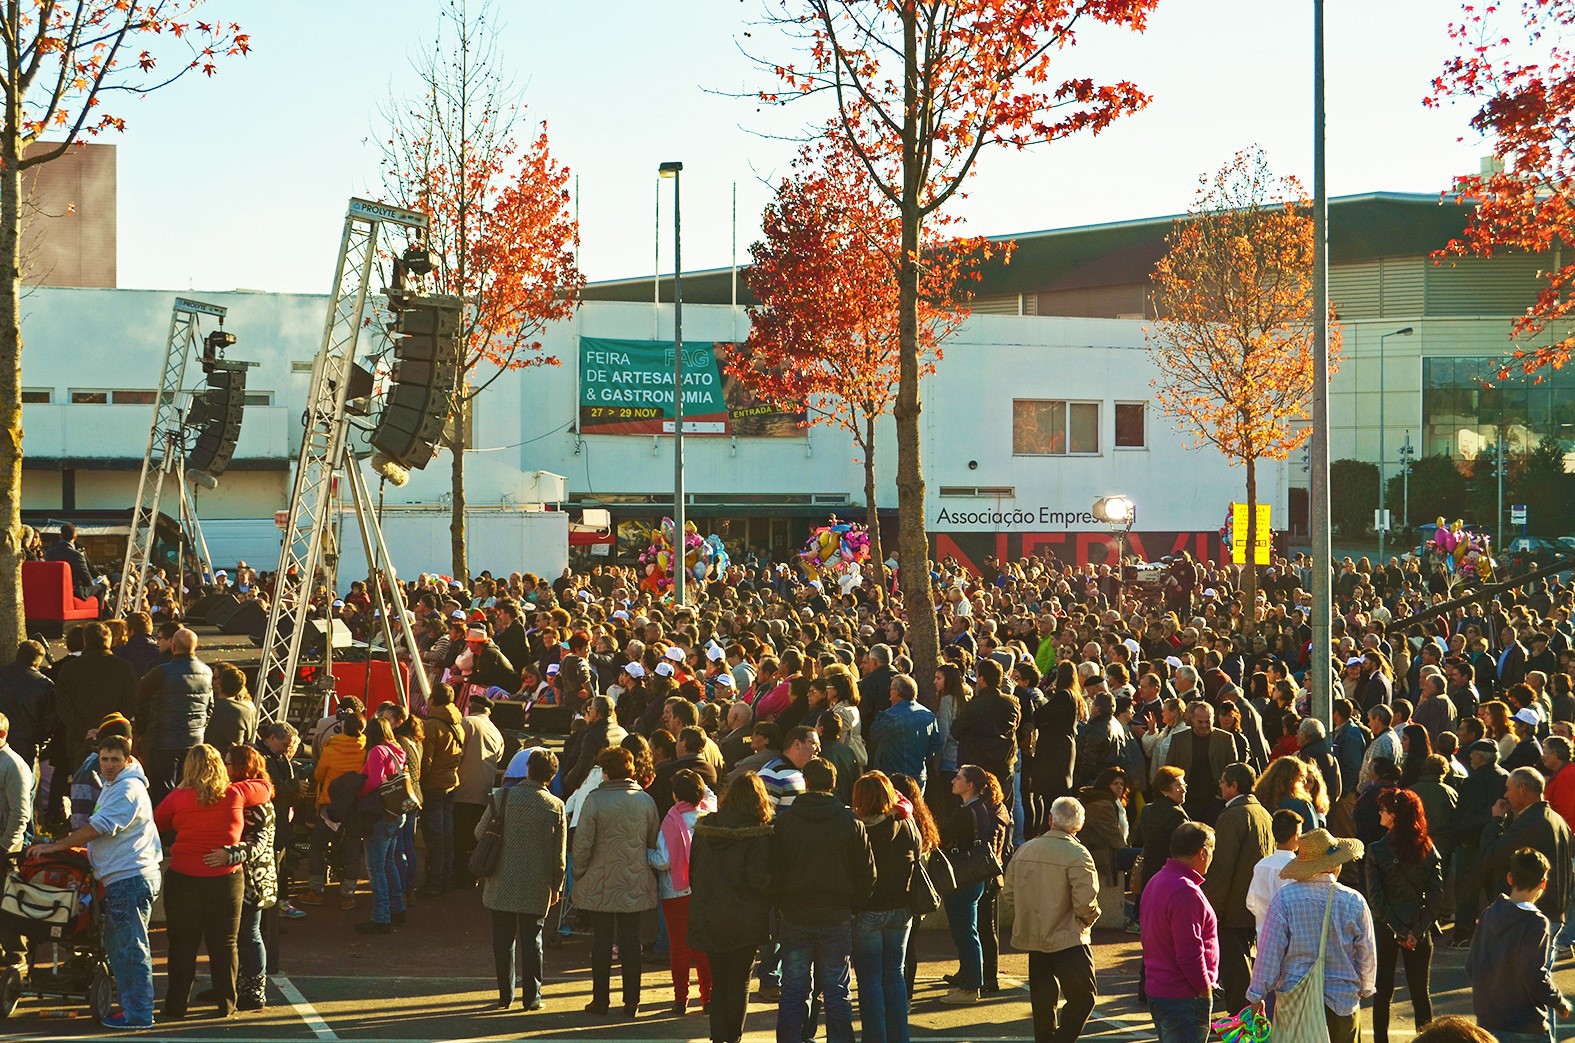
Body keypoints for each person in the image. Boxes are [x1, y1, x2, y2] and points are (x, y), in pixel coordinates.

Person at [28, 733, 162, 1028]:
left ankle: (138, 1014)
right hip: (122, 876)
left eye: (115, 759)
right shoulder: (116, 785)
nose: (109, 765)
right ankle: (133, 1009)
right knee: (123, 949)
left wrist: (55, 846)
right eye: (105, 759)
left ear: (127, 760)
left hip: (129, 878)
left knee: (130, 950)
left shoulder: (127, 789)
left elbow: (96, 828)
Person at [152, 744, 273, 1019]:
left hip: (184, 877)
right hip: (226, 879)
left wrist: (183, 786)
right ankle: (226, 1004)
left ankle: (176, 1006)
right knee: (225, 945)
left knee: (182, 944)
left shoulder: (179, 797)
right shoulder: (237, 793)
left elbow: (157, 821)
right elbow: (265, 787)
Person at [769, 756, 874, 1043]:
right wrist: (853, 906)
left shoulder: (787, 822)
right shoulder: (851, 821)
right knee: (837, 988)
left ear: (806, 782)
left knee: (793, 987)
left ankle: (790, 1038)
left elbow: (773, 872)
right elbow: (868, 874)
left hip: (795, 914)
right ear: (834, 783)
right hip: (836, 914)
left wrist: (781, 903)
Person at [1246, 828, 1377, 1043]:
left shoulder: (1284, 900)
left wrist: (1257, 995)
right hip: (1342, 1001)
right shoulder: (1354, 900)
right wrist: (1365, 986)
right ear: (1336, 864)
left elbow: (1269, 954)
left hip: (1295, 1002)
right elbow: (1366, 951)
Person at [1001, 795, 1099, 1043]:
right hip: (1068, 936)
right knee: (1084, 996)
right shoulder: (1078, 853)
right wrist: (1087, 920)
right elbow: (1086, 901)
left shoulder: (1026, 849)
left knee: (1043, 1001)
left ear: (1050, 819)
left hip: (1034, 933)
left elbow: (1009, 893)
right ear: (1079, 825)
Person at [688, 772, 775, 1043]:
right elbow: (759, 879)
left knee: (719, 980)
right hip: (745, 918)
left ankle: (718, 1037)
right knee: (740, 981)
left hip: (710, 914)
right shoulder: (759, 834)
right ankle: (733, 1037)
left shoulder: (705, 829)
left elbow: (694, 872)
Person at [476, 749, 565, 1012]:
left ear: (527, 769)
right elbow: (558, 856)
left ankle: (505, 995)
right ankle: (532, 997)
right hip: (536, 883)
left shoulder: (501, 797)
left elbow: (480, 832)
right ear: (551, 776)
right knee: (533, 939)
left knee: (502, 941)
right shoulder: (555, 806)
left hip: (501, 879)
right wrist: (556, 885)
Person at [573, 746, 660, 1017]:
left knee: (601, 942)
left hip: (600, 880)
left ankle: (601, 1000)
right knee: (631, 942)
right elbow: (652, 840)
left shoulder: (594, 801)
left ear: (606, 772)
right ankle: (632, 1001)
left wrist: (579, 871)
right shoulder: (646, 801)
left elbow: (583, 845)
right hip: (634, 879)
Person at [1468, 847, 1573, 1043]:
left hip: (1488, 1021)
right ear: (1543, 883)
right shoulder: (1536, 922)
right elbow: (1534, 974)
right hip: (1524, 1023)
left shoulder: (1489, 914)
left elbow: (1472, 965)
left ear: (1509, 878)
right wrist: (1558, 1002)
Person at [1365, 788, 1445, 1043]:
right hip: (1419, 925)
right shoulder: (1428, 849)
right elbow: (1435, 898)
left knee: (1383, 993)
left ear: (1394, 816)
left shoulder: (1377, 850)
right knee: (1421, 994)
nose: (1380, 813)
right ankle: (1427, 1040)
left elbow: (1377, 900)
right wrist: (1416, 930)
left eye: (1384, 810)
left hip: (1387, 927)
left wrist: (1398, 930)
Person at [204, 744, 277, 1012]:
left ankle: (255, 990)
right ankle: (229, 985)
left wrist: (228, 854)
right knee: (230, 935)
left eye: (230, 763)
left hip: (253, 880)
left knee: (249, 934)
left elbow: (258, 844)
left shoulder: (258, 804)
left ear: (243, 767)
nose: (225, 767)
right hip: (235, 878)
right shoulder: (241, 796)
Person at [850, 770, 919, 1043]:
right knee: (894, 974)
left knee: (869, 981)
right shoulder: (906, 823)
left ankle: (874, 1038)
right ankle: (899, 1037)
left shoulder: (860, 831)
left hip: (869, 910)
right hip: (902, 908)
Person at [1480, 765, 1575, 961]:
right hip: (1553, 910)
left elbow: (1492, 855)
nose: (1506, 795)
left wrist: (1496, 820)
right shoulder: (1557, 821)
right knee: (1536, 979)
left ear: (1522, 789)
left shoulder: (1532, 822)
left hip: (1532, 914)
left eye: (1509, 789)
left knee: (1525, 983)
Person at [1205, 761, 1275, 1014]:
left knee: (1236, 970)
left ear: (1234, 786)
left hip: (1234, 905)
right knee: (1248, 963)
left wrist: (1213, 906)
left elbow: (1222, 866)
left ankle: (1243, 1022)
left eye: (1223, 783)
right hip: (1255, 901)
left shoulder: (1233, 815)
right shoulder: (1262, 813)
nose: (1221, 787)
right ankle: (1250, 1018)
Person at [939, 763, 1011, 1004]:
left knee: (966, 932)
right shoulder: (981, 808)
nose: (953, 781)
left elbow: (943, 837)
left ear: (970, 785)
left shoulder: (967, 812)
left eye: (958, 778)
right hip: (975, 877)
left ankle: (970, 988)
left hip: (964, 877)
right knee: (970, 931)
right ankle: (971, 982)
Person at [1141, 821, 1219, 1043]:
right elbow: (1189, 953)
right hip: (1183, 995)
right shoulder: (1186, 891)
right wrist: (1204, 988)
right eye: (1212, 850)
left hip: (1160, 988)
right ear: (1202, 852)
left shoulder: (1157, 880)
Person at [649, 768, 716, 1015]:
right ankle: (708, 998)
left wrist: (646, 854)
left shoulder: (671, 820)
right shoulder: (710, 814)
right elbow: (709, 792)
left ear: (676, 795)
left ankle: (680, 999)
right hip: (704, 890)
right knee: (703, 947)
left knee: (679, 947)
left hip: (675, 891)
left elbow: (664, 860)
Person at [135, 627, 214, 805]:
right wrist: (199, 728)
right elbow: (209, 707)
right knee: (187, 788)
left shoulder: (161, 671)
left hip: (163, 739)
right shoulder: (207, 672)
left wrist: (144, 727)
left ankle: (165, 828)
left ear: (173, 646)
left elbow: (138, 694)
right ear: (196, 647)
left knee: (162, 790)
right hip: (193, 739)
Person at [356, 716, 409, 934]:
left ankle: (381, 916)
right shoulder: (396, 749)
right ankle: (397, 908)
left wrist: (357, 792)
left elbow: (374, 781)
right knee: (389, 863)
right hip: (396, 811)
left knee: (375, 867)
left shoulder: (377, 751)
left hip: (379, 813)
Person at [453, 692, 504, 888]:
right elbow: (498, 757)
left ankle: (459, 877)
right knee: (474, 836)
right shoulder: (495, 731)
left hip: (463, 790)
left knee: (459, 835)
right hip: (484, 792)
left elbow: (458, 752)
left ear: (470, 707)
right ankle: (471, 877)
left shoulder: (467, 723)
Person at [419, 683, 464, 895]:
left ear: (432, 700)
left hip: (435, 785)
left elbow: (425, 761)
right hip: (450, 782)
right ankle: (445, 877)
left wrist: (419, 781)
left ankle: (434, 881)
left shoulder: (432, 726)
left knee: (435, 835)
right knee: (446, 833)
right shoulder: (457, 723)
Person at [1165, 701, 1235, 822]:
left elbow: (1232, 769)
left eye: (1207, 722)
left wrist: (1221, 795)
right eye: (1200, 722)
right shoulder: (1179, 739)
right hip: (1187, 797)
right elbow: (1169, 769)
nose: (1204, 725)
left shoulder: (1225, 739)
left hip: (1214, 799)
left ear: (1213, 719)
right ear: (1192, 719)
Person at [869, 674, 940, 788]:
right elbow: (935, 745)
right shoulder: (929, 715)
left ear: (897, 692)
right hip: (918, 776)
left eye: (891, 689)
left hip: (893, 777)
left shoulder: (890, 716)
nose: (889, 694)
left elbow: (875, 734)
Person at [1245, 809, 1303, 940]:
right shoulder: (1298, 868)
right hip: (1291, 939)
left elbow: (1251, 902)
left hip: (1264, 935)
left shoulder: (1261, 865)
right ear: (1295, 837)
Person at [45, 521, 107, 599]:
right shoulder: (77, 555)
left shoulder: (49, 552)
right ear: (75, 537)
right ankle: (100, 611)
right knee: (102, 586)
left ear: (60, 536)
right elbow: (86, 578)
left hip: (54, 589)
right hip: (74, 590)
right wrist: (95, 582)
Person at [204, 662, 258, 751]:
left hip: (207, 755)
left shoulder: (208, 707)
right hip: (233, 759)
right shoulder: (246, 711)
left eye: (214, 678)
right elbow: (248, 738)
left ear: (219, 683)